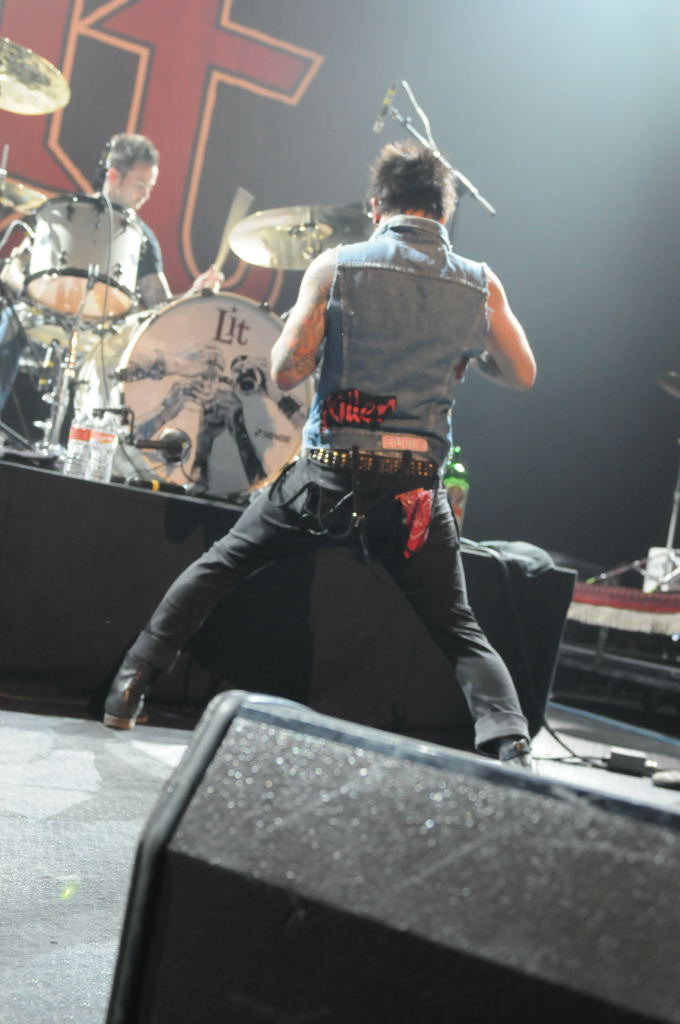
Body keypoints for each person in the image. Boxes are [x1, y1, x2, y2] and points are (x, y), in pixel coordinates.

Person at [102, 140, 537, 770]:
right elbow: (522, 372)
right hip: (414, 489)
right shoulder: (480, 283)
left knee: (221, 564)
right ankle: (511, 744)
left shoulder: (337, 266)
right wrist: (466, 356)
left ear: (376, 207)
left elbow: (286, 371)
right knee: (457, 626)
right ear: (445, 213)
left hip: (328, 476)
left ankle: (130, 683)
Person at [0, 132, 222, 419]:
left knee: (127, 353)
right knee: (9, 321)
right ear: (114, 175)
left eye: (150, 187)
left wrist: (194, 295)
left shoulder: (142, 237)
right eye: (140, 184)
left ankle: (90, 434)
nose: (146, 194)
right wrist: (30, 293)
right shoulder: (65, 213)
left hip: (101, 333)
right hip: (44, 315)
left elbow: (158, 304)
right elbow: (13, 268)